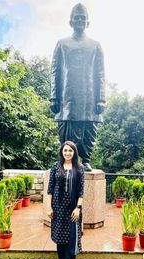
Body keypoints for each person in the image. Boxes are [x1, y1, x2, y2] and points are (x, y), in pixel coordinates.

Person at [50, 3, 105, 172]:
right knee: (66, 128)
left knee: (89, 129)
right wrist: (53, 96)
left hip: (89, 97)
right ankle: (65, 160)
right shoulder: (62, 43)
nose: (80, 21)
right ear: (70, 22)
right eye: (77, 18)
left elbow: (101, 74)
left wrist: (101, 98)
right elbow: (55, 71)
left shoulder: (96, 45)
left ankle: (86, 159)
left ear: (88, 23)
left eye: (83, 18)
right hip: (67, 96)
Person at [47, 140, 84, 259]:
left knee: (71, 239)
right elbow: (50, 189)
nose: (67, 153)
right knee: (59, 239)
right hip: (57, 208)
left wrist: (78, 208)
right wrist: (49, 208)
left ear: (74, 153)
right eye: (65, 150)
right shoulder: (55, 167)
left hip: (72, 209)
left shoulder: (79, 169)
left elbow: (81, 191)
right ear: (62, 152)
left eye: (70, 151)